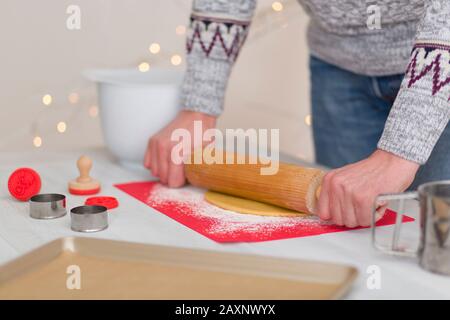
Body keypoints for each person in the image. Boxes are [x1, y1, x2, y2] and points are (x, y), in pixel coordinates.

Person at [144, 0, 450, 227]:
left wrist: (398, 154)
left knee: (437, 237)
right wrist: (198, 106)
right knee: (345, 224)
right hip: (336, 66)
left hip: (441, 68)